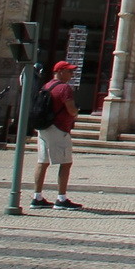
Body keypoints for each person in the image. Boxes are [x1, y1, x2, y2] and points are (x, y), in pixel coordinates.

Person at [28, 60, 82, 209]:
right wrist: (76, 112)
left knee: (42, 161)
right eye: (69, 71)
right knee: (66, 163)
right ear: (59, 72)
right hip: (59, 128)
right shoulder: (64, 88)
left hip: (44, 127)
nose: (72, 74)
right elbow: (71, 109)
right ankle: (61, 199)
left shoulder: (46, 86)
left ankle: (37, 197)